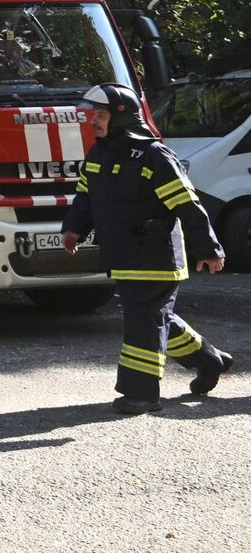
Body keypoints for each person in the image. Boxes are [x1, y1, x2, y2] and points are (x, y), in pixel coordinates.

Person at [62, 83, 233, 414]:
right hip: (123, 256)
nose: (93, 121)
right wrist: (73, 229)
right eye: (93, 115)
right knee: (154, 317)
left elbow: (187, 204)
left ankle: (141, 394)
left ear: (122, 117)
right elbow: (85, 198)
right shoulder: (98, 154)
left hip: (157, 257)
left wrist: (209, 249)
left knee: (142, 322)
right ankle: (210, 360)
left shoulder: (154, 155)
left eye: (100, 115)